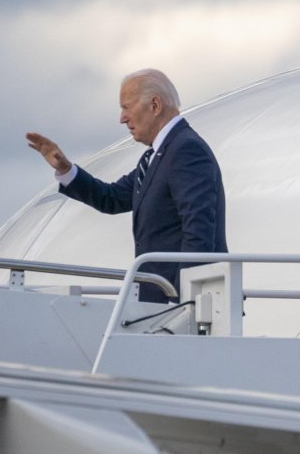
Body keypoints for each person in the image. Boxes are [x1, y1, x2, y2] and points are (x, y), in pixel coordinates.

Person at [26, 69, 227, 303]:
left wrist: (185, 301)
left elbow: (199, 230)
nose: (122, 118)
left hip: (179, 303)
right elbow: (111, 198)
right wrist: (65, 169)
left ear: (155, 105)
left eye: (127, 107)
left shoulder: (184, 150)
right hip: (161, 302)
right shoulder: (157, 156)